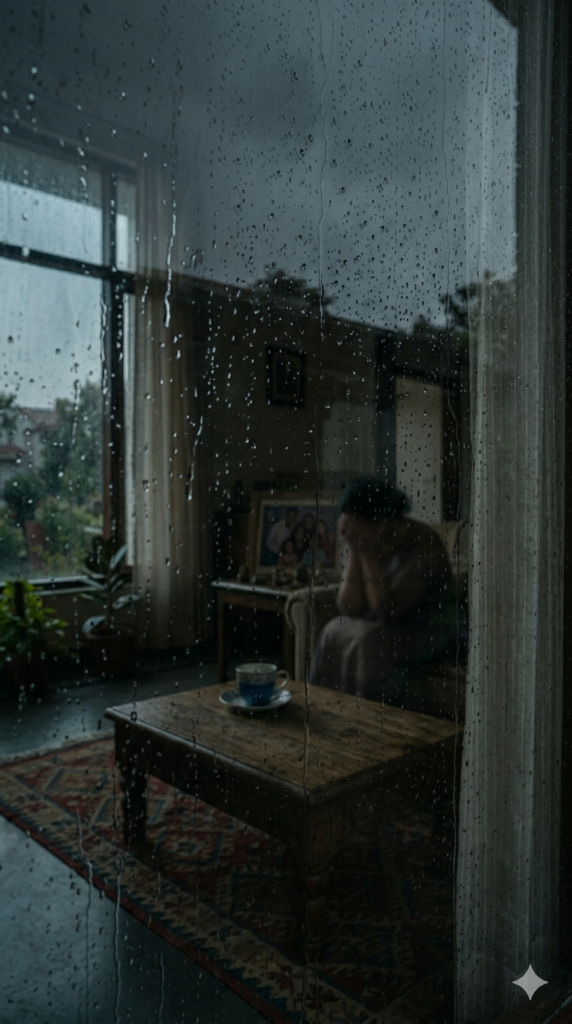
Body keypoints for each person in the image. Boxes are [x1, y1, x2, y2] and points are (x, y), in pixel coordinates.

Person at [310, 478, 464, 703]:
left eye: (355, 518)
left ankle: (368, 716)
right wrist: (355, 551)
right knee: (332, 631)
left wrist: (367, 554)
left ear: (382, 520)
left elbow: (388, 612)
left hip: (434, 627)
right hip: (391, 625)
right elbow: (349, 608)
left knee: (370, 641)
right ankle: (325, 707)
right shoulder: (362, 537)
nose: (347, 525)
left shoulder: (422, 543)